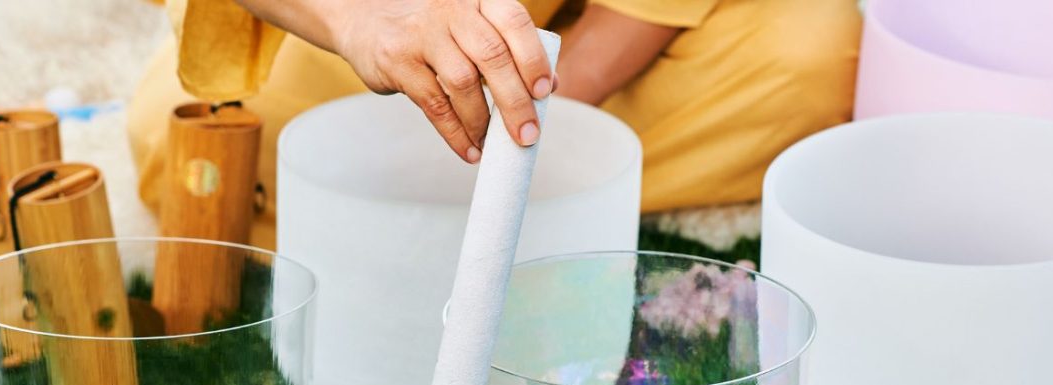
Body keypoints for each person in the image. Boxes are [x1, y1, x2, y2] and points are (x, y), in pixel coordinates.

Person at [129, 0, 861, 250]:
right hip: (374, 21)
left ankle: (500, 185)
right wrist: (362, 25)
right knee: (185, 130)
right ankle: (425, 177)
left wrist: (543, 102)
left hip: (568, 36)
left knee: (811, 57)